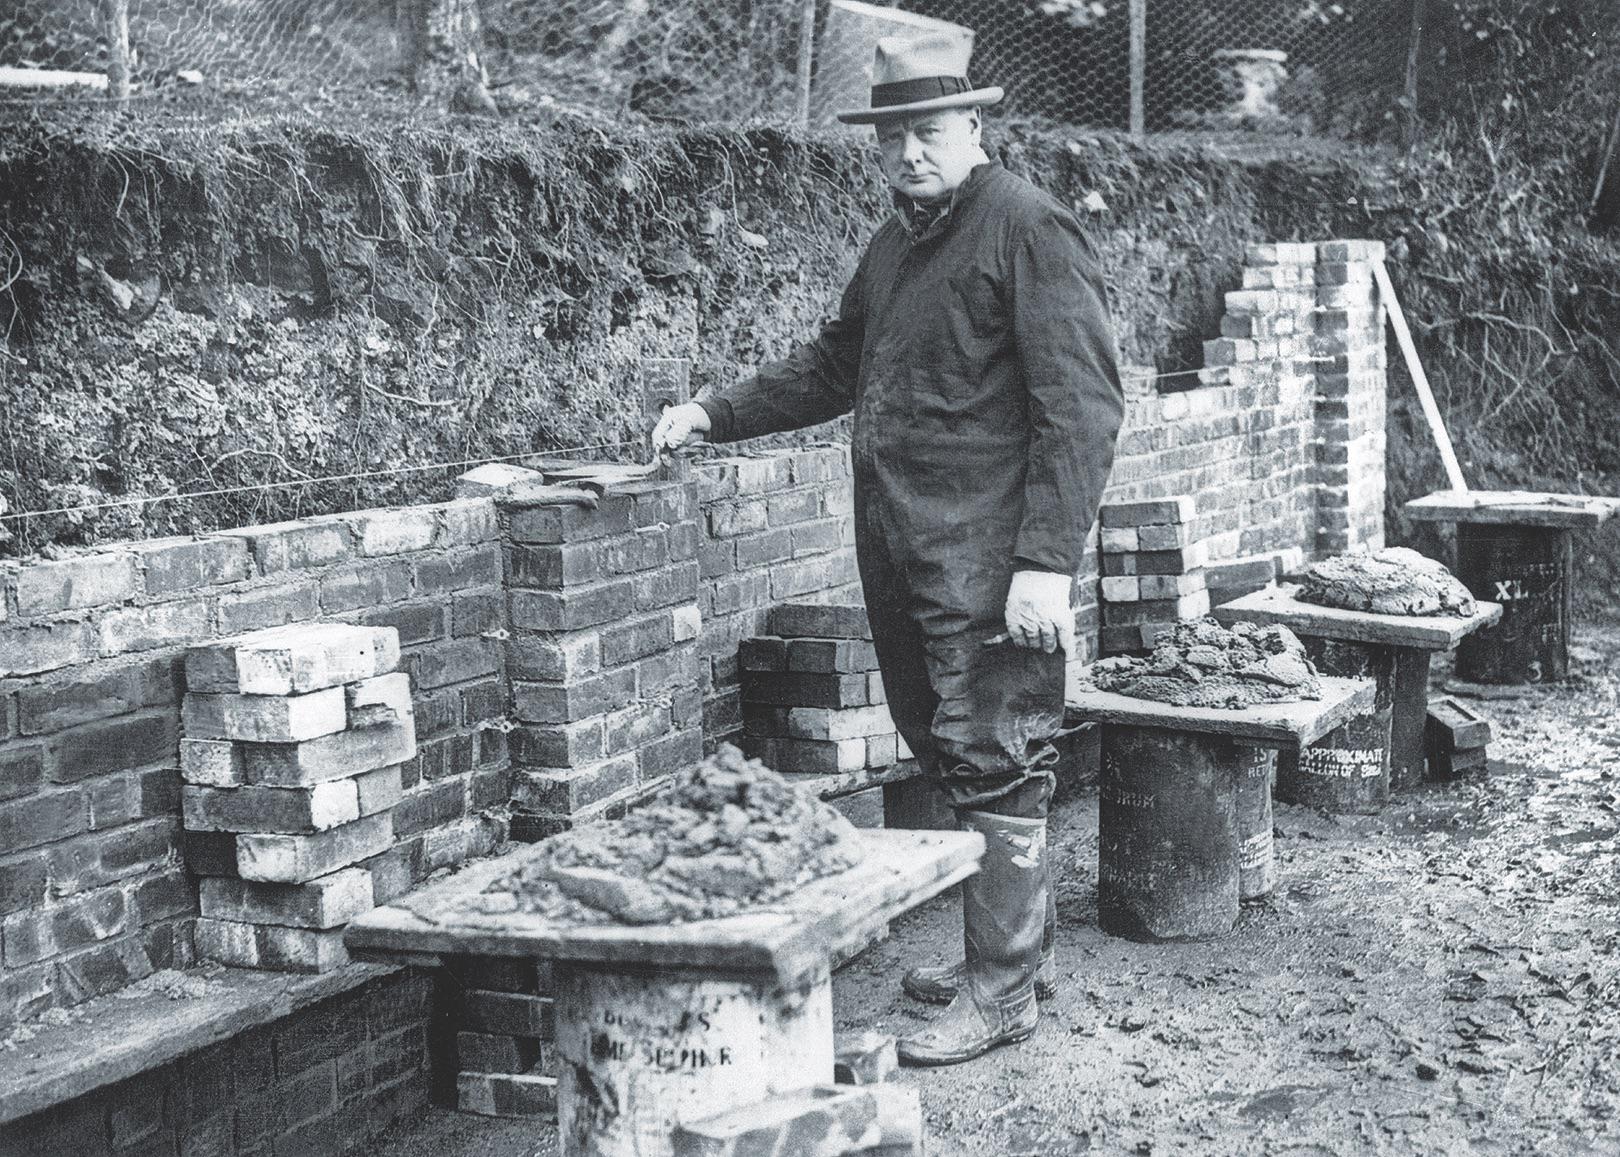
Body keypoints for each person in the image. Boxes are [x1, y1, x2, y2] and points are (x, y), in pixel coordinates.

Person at [652, 32, 1124, 1066]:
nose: (910, 150)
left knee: (997, 752)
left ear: (973, 127)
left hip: (994, 562)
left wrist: (1046, 561)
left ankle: (1001, 994)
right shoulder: (897, 243)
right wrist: (712, 409)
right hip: (908, 551)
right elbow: (836, 361)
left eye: (929, 130)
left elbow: (1082, 409)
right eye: (892, 134)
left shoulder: (1028, 229)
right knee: (948, 743)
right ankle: (1009, 954)